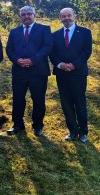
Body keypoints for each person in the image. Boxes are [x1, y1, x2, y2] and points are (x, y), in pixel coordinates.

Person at [6, 6, 52, 136]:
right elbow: (9, 49)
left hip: (38, 71)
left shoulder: (44, 29)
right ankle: (17, 124)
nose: (26, 16)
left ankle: (38, 126)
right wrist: (17, 60)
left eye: (29, 14)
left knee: (38, 99)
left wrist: (33, 60)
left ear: (34, 15)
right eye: (23, 14)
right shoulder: (14, 31)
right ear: (20, 16)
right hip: (19, 70)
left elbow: (47, 47)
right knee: (18, 98)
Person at [49, 8, 92, 143]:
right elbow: (52, 53)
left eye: (69, 15)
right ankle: (72, 131)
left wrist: (74, 65)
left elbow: (86, 52)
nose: (66, 18)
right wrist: (60, 64)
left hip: (78, 73)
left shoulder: (85, 32)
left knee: (79, 101)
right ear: (60, 18)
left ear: (74, 16)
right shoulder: (55, 35)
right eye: (63, 16)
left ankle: (83, 132)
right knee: (66, 103)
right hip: (62, 74)